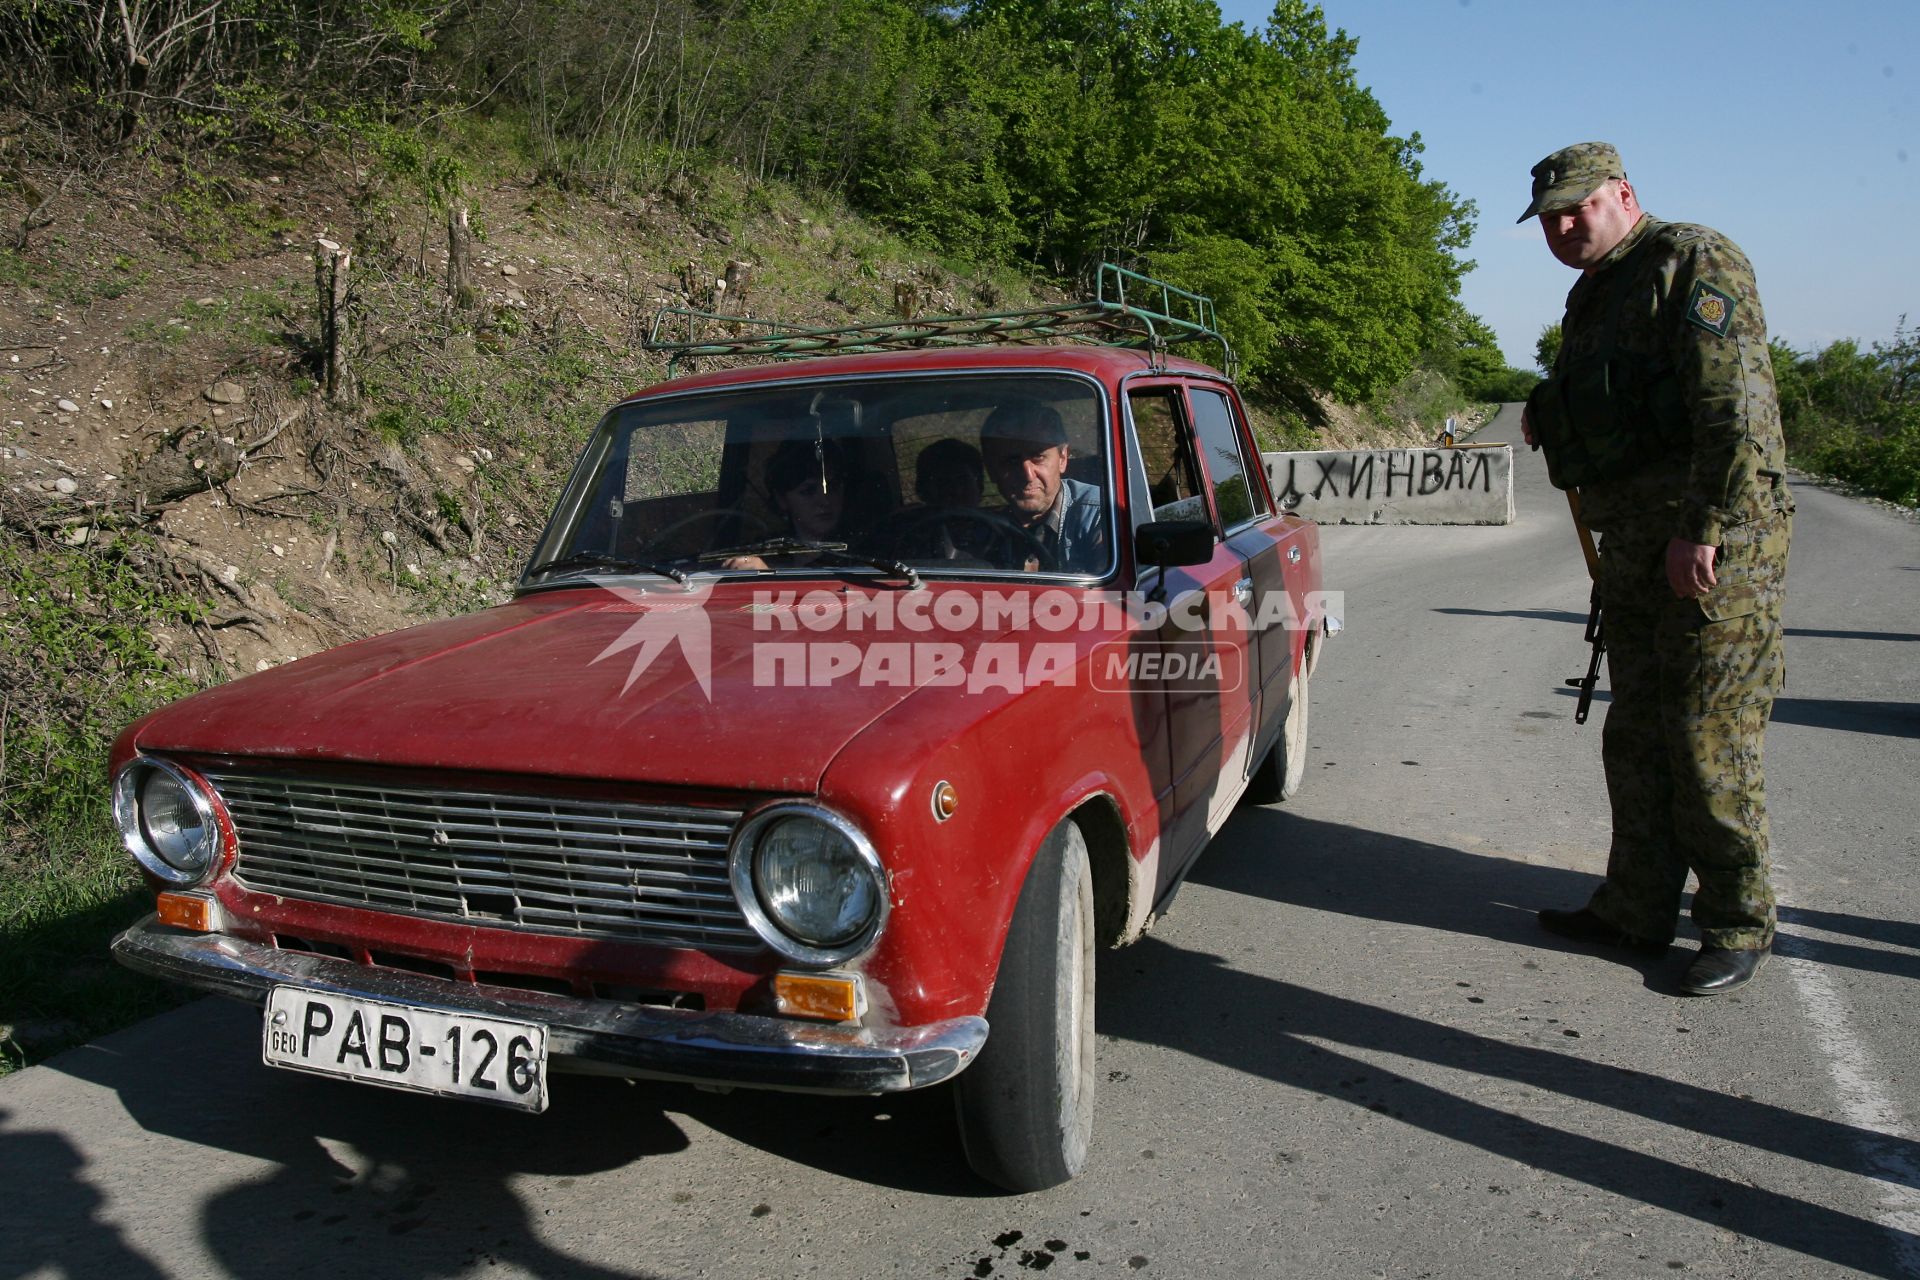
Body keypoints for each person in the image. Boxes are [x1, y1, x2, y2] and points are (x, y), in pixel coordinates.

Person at [1518, 142, 1793, 996]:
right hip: (1636, 550)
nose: (1563, 228)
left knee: (1707, 734)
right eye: (1551, 218)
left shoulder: (1692, 260)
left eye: (1578, 209)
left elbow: (1735, 408)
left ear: (1623, 195)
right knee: (1636, 731)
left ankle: (1738, 921)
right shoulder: (1593, 290)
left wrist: (1703, 528)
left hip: (1712, 551)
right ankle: (1635, 907)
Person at [977, 400, 1108, 573]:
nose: (1028, 475)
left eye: (1038, 457)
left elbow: (1114, 595)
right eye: (1011, 461)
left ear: (1063, 459)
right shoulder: (980, 533)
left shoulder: (1101, 515)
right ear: (992, 470)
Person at [722, 437, 851, 570]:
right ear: (782, 499)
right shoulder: (766, 552)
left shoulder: (863, 556)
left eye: (833, 487)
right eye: (808, 491)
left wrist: (768, 578)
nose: (825, 501)